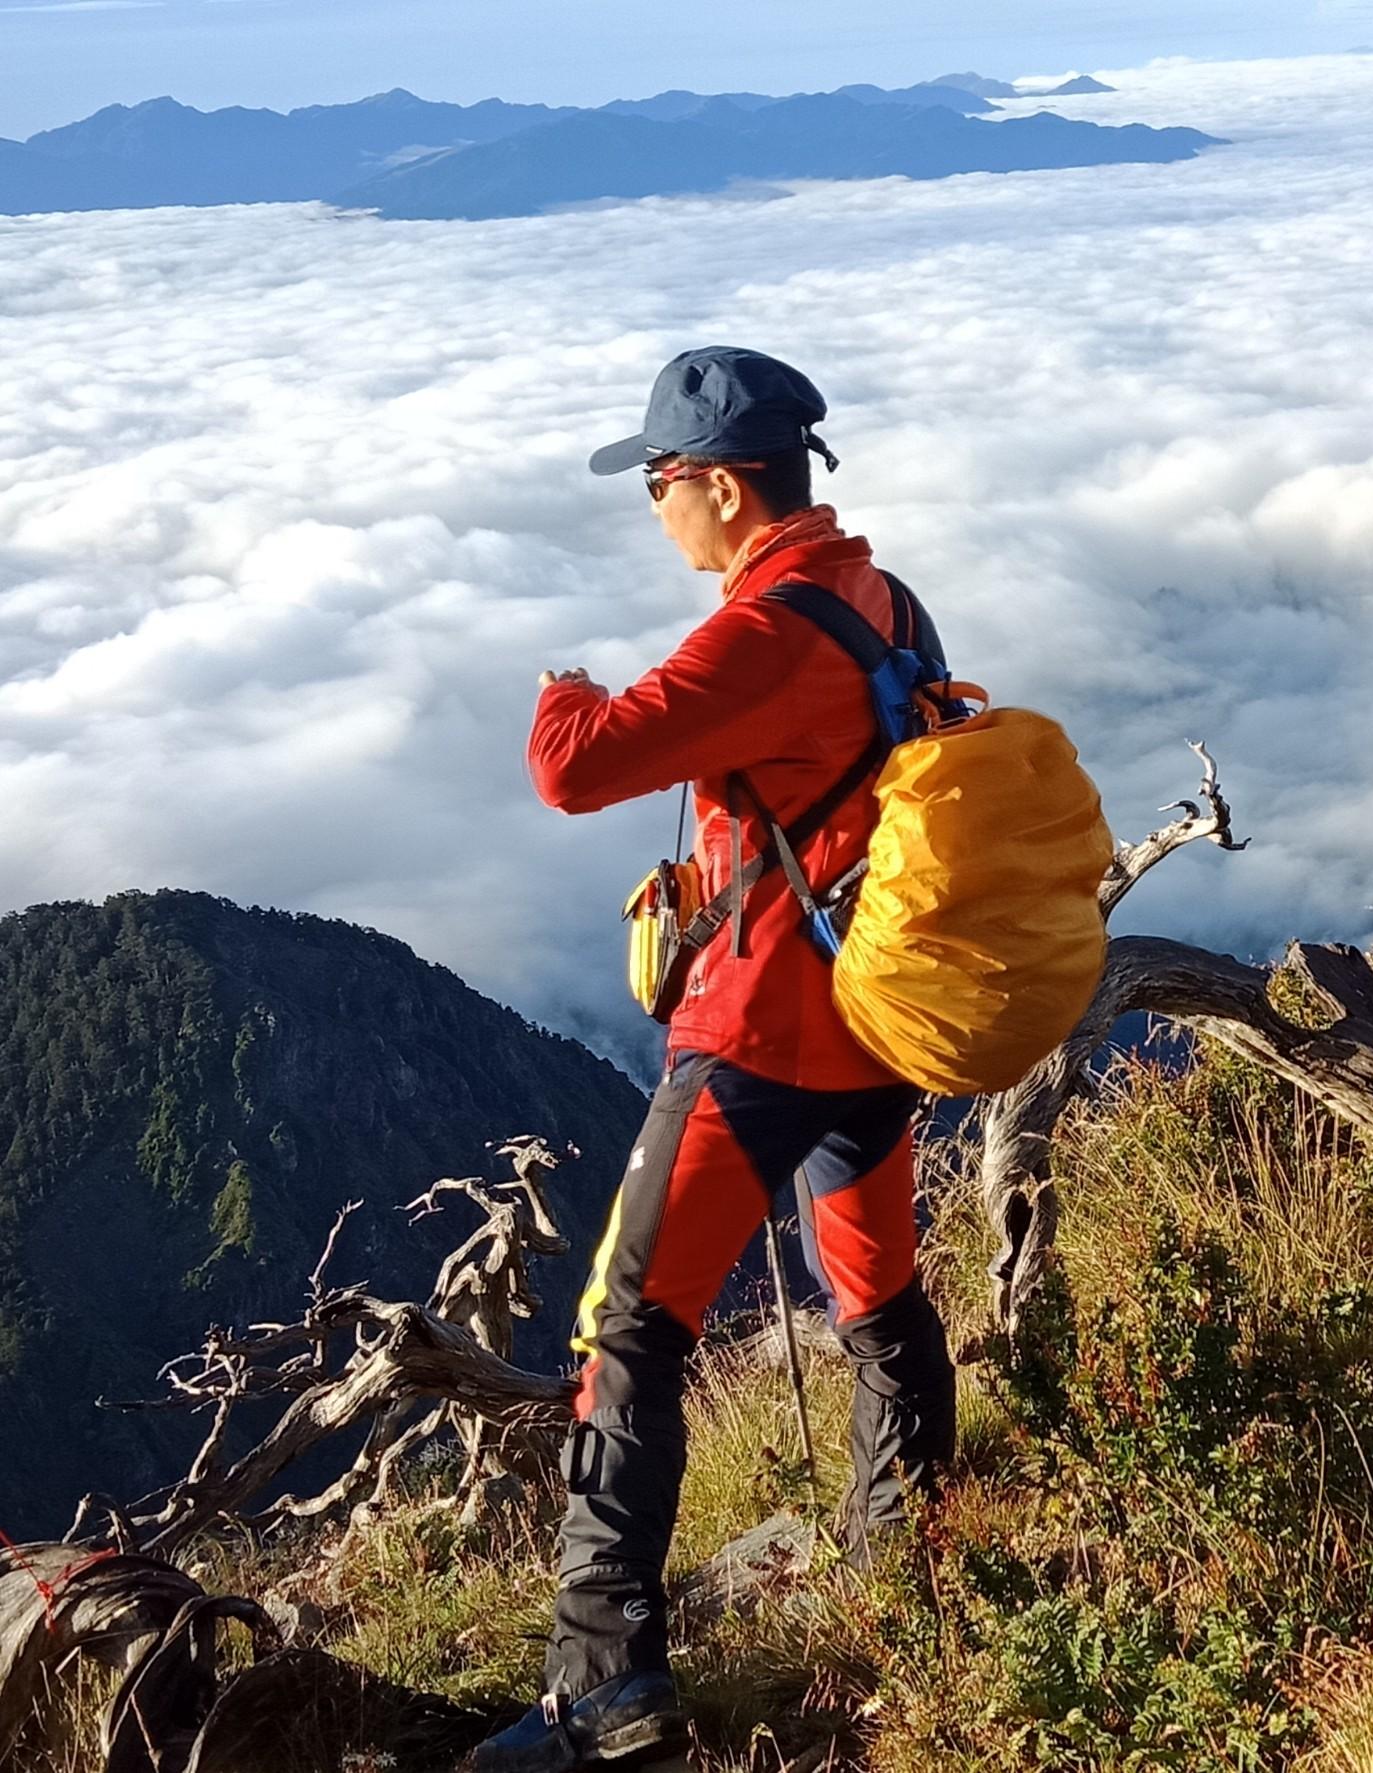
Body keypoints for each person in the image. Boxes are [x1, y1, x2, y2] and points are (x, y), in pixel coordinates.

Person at [468, 347, 958, 1773]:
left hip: (751, 1045)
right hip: (872, 1026)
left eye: (663, 483)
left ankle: (604, 1690)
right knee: (880, 1300)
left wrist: (561, 688)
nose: (657, 508)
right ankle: (908, 1561)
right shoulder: (886, 598)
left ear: (728, 490)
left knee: (629, 1337)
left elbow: (575, 767)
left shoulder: (758, 633)